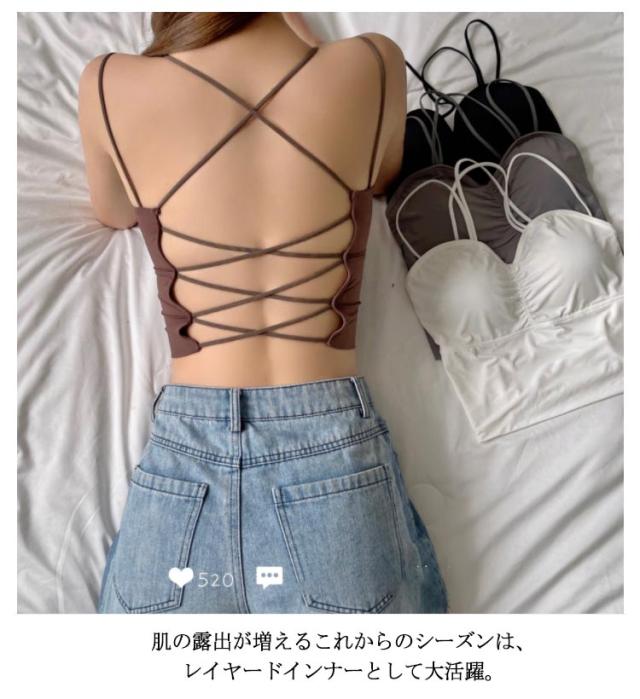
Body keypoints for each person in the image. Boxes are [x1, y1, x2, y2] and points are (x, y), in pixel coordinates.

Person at [79, 11, 447, 614]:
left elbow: (115, 211)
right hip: (328, 442)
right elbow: (382, 175)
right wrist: (307, 41)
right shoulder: (373, 63)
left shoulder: (106, 82)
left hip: (187, 455)